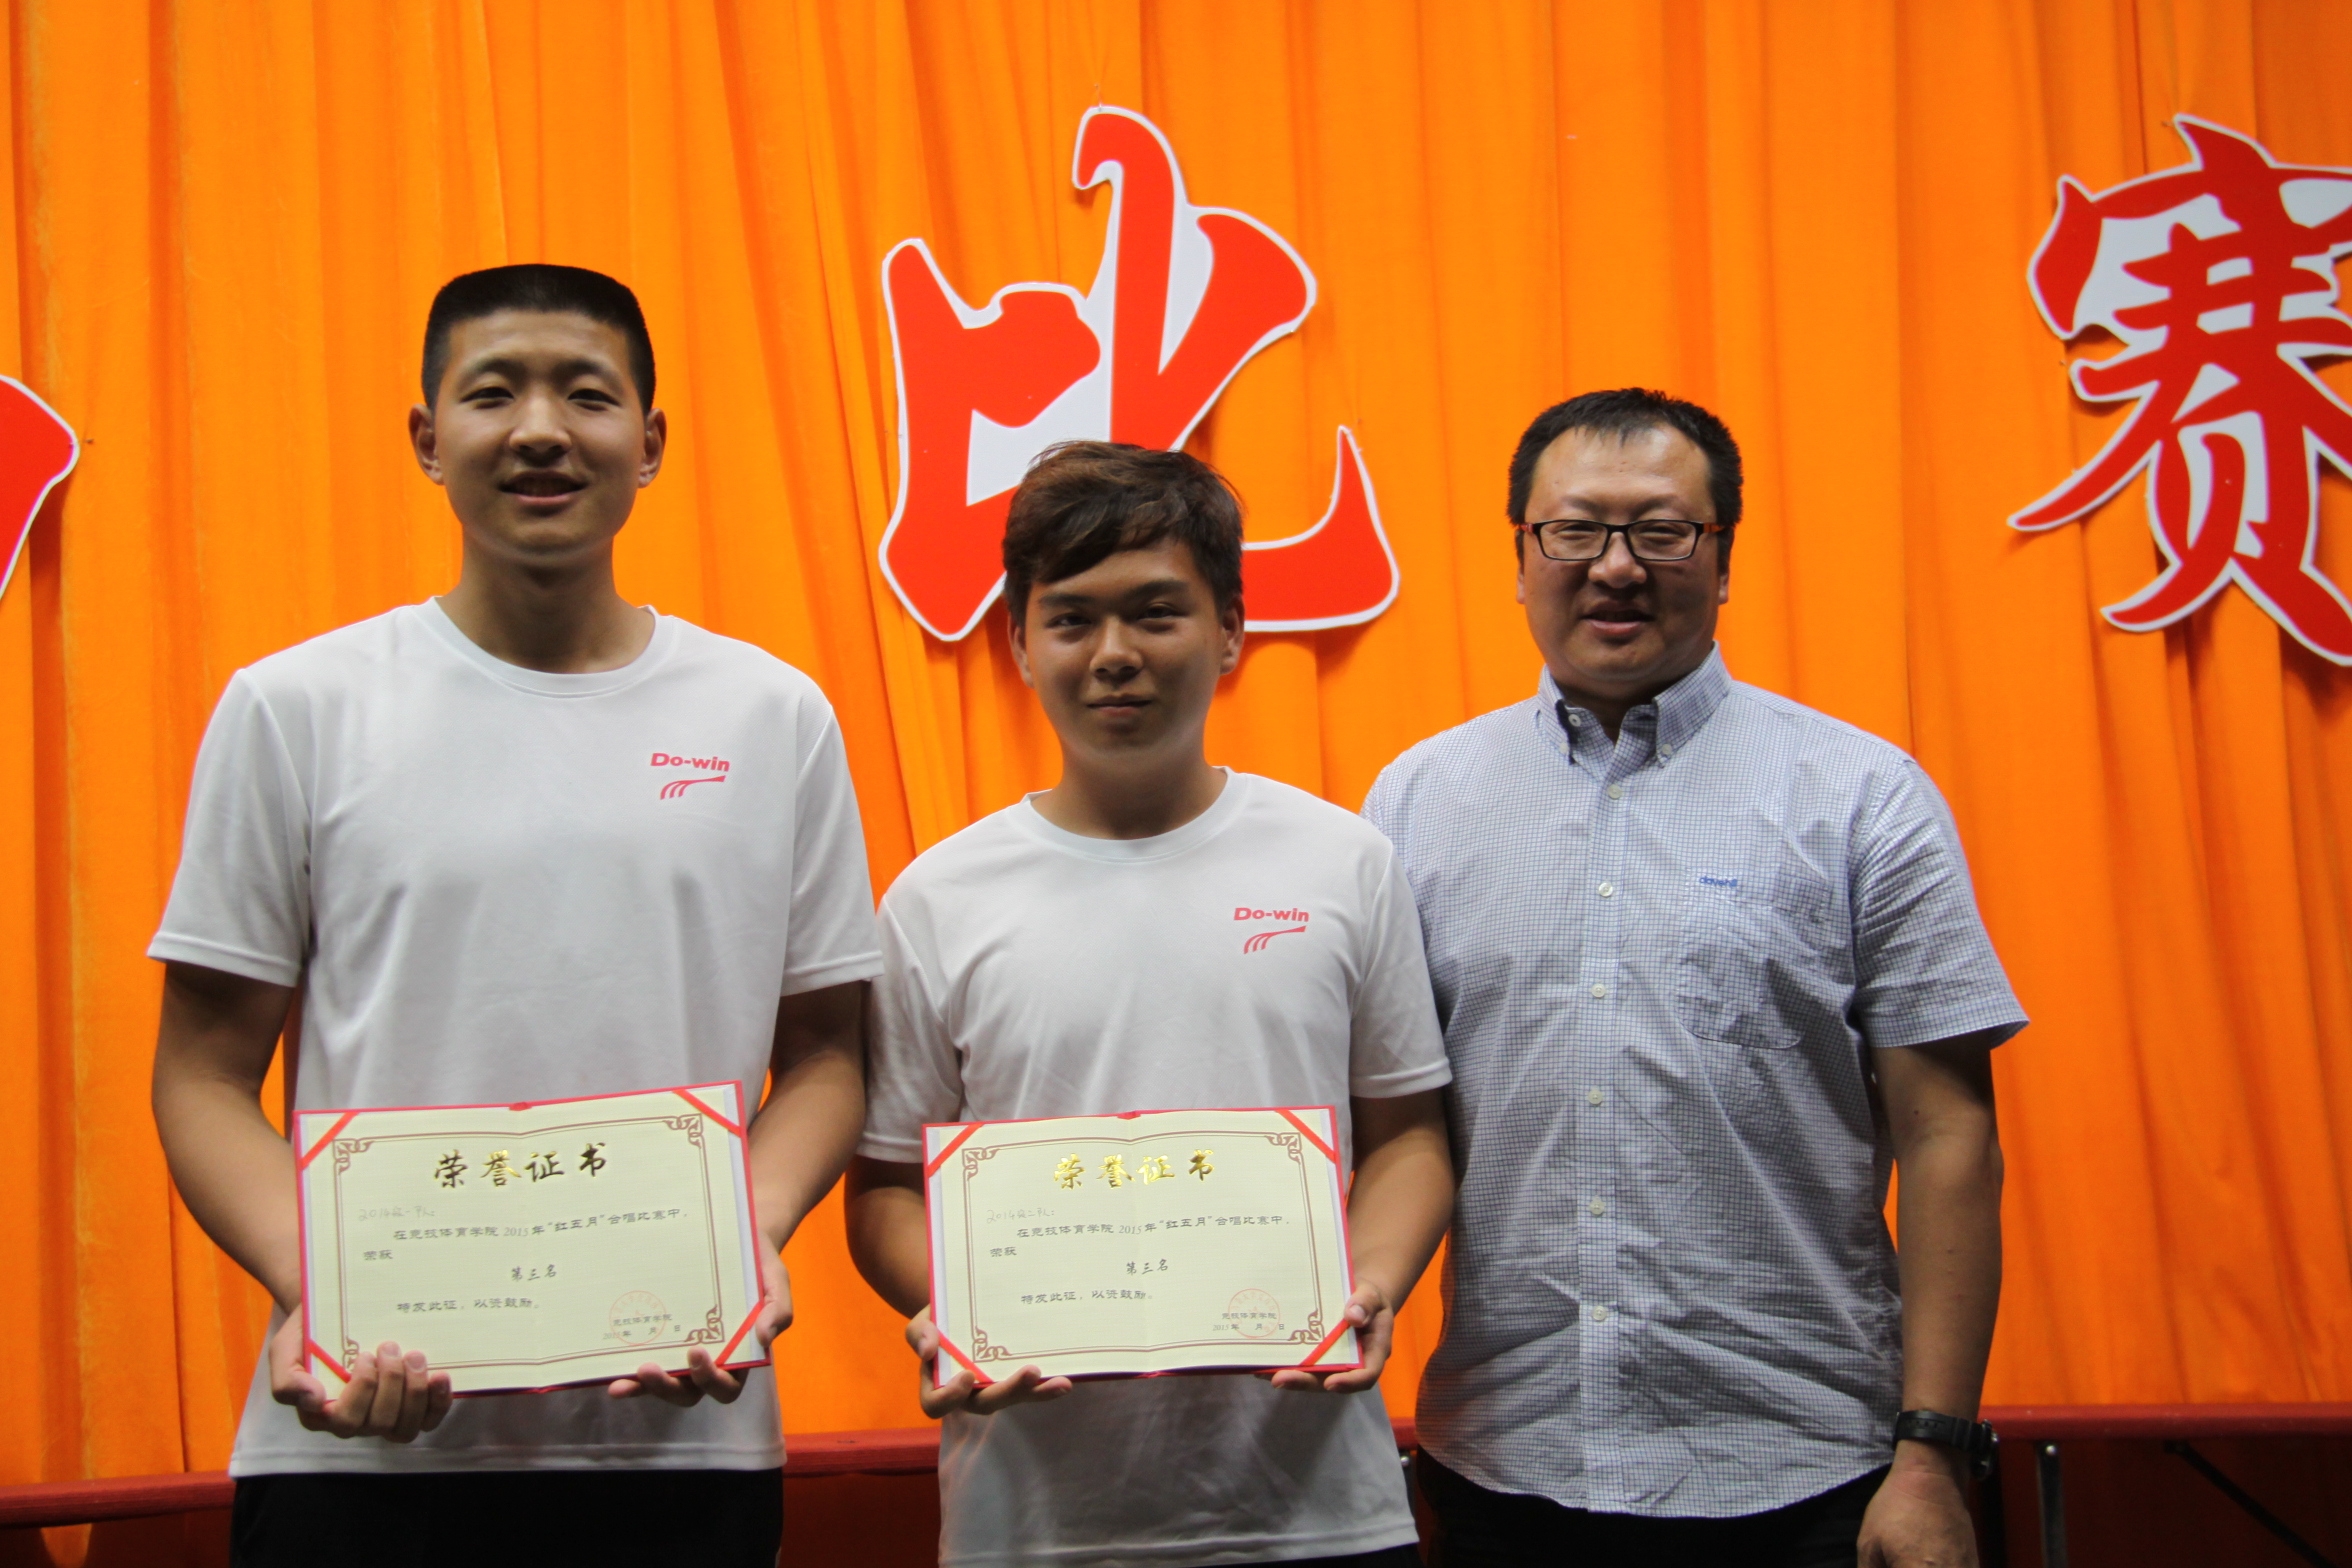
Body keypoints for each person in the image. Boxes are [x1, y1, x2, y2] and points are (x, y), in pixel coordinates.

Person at [148, 264, 880, 1567]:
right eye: (493, 394)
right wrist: (319, 1283)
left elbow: (827, 1052)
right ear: (428, 438)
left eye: (587, 395)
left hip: (680, 1437)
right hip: (362, 1442)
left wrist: (743, 1235)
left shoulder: (772, 716)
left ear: (650, 442)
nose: (541, 429)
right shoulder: (297, 708)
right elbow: (201, 1074)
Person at [1362, 389, 2024, 1568]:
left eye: (1662, 530)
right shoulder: (1419, 799)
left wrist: (1932, 1450)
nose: (1616, 565)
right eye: (1575, 529)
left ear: (1722, 560)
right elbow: (1388, 1120)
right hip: (1508, 1460)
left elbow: (1949, 1137)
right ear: (1520, 555)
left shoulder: (1860, 794)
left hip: (1801, 1466)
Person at [845, 441, 1457, 1568]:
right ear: (1018, 642)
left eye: (1157, 612)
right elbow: (883, 1188)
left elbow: (1410, 1134)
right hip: (1034, 1520)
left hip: (1319, 1504)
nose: (1114, 653)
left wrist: (1370, 1284)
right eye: (1072, 619)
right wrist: (959, 1304)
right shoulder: (938, 897)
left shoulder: (1343, 862)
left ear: (1230, 629)